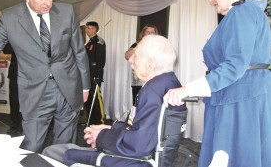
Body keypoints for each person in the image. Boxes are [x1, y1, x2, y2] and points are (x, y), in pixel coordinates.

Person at [163, 0, 271, 167]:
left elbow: (234, 66)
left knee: (232, 158)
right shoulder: (251, 12)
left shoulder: (241, 12)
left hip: (240, 99)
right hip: (245, 94)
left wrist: (187, 89)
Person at [0, 0, 90, 153]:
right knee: (31, 147)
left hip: (68, 87)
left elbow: (79, 51)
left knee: (64, 148)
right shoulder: (9, 19)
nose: (48, 3)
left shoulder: (66, 12)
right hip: (35, 92)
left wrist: (85, 86)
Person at [42, 34, 186, 167]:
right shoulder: (171, 83)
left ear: (150, 64)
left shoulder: (152, 90)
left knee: (53, 152)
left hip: (134, 161)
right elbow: (146, 131)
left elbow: (139, 144)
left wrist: (101, 137)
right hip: (145, 157)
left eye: (136, 56)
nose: (130, 60)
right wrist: (110, 129)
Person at [125, 24, 158, 104]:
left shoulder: (159, 45)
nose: (149, 34)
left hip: (154, 81)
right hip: (138, 81)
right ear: (143, 33)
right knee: (137, 104)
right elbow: (127, 56)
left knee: (151, 104)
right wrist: (141, 45)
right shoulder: (136, 44)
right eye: (147, 32)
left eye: (152, 32)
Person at [84, 21, 106, 125]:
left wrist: (97, 76)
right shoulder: (89, 43)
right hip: (87, 76)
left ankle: (100, 121)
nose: (87, 30)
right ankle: (90, 121)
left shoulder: (99, 42)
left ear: (95, 29)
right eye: (87, 28)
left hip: (94, 76)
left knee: (96, 99)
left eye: (89, 28)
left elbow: (101, 61)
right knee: (88, 99)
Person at [2, 43, 22, 135]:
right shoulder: (14, 34)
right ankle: (15, 124)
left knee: (32, 102)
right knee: (14, 100)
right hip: (15, 74)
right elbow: (6, 50)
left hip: (31, 74)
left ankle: (30, 126)